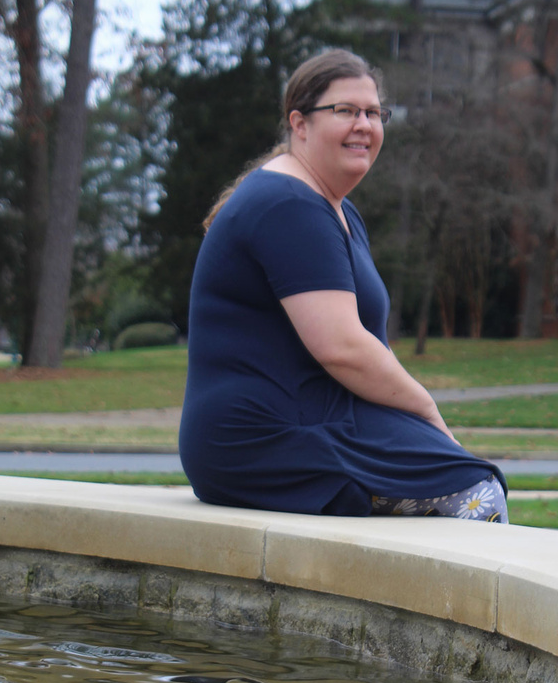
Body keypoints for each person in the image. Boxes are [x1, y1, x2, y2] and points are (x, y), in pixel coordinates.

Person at [179, 48, 509, 523]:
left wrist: (419, 430)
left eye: (374, 113)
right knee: (474, 495)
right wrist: (427, 412)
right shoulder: (286, 204)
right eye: (345, 111)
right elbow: (342, 347)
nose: (365, 125)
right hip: (258, 438)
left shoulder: (333, 208)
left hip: (312, 417)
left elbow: (364, 345)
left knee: (468, 479)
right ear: (300, 124)